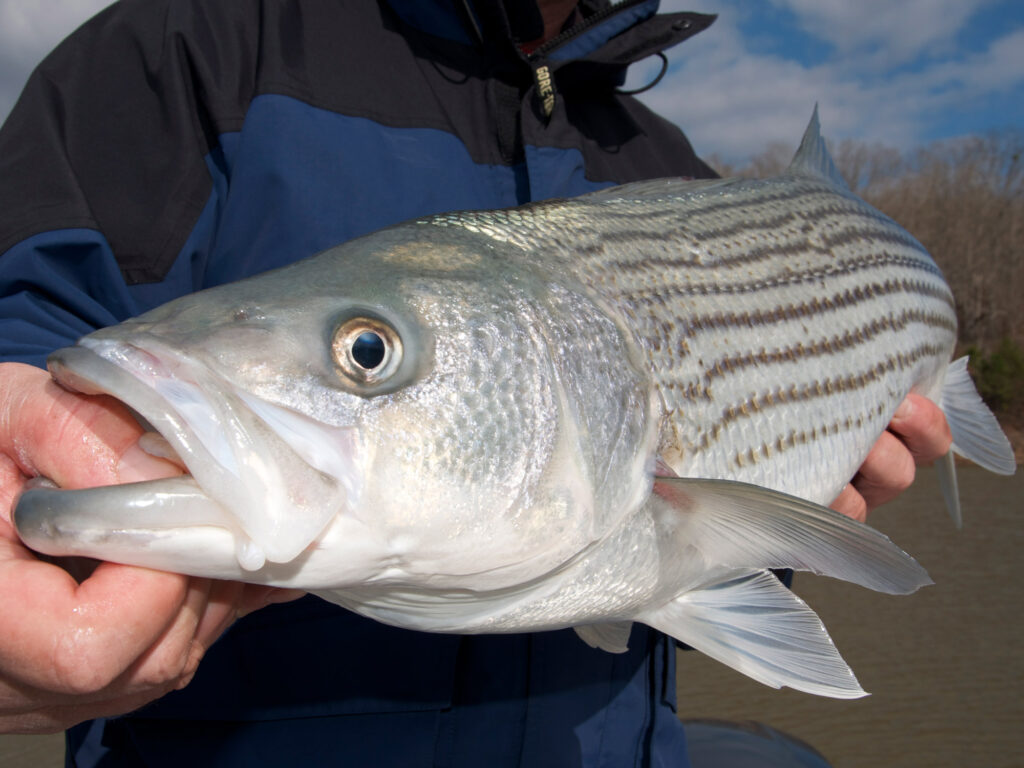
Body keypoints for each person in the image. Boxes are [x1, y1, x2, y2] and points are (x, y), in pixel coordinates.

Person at [0, 1, 952, 765]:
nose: (365, 357)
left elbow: (697, 534)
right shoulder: (182, 48)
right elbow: (28, 330)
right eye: (366, 350)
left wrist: (800, 521)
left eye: (368, 354)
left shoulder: (668, 166)